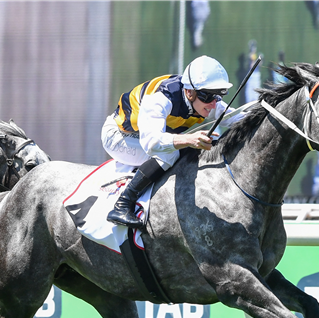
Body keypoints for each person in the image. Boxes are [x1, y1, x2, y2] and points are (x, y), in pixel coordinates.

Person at [102, 55, 244, 229]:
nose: (214, 104)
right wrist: (188, 139)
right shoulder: (160, 99)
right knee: (171, 152)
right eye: (208, 96)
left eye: (219, 96)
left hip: (143, 135)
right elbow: (152, 143)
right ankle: (122, 204)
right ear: (189, 92)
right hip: (119, 136)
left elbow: (240, 119)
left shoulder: (205, 101)